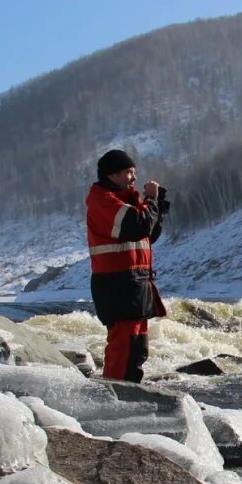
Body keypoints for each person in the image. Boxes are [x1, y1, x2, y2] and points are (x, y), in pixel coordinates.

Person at [85, 149, 170, 382]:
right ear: (112, 175)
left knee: (136, 347)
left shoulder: (125, 201)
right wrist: (151, 201)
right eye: (129, 172)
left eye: (133, 172)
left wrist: (157, 206)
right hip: (117, 284)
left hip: (134, 281)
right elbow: (137, 226)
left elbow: (148, 234)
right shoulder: (103, 201)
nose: (133, 177)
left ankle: (129, 393)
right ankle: (115, 397)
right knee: (123, 347)